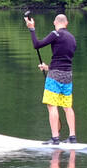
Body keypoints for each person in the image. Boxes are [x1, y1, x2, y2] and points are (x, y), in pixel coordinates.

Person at [25, 13, 77, 145]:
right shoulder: (72, 38)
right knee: (67, 106)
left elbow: (37, 45)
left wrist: (32, 29)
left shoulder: (56, 34)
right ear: (67, 23)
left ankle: (55, 138)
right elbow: (63, 60)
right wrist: (48, 67)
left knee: (52, 106)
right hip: (68, 75)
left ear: (55, 22)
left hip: (55, 76)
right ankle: (72, 137)